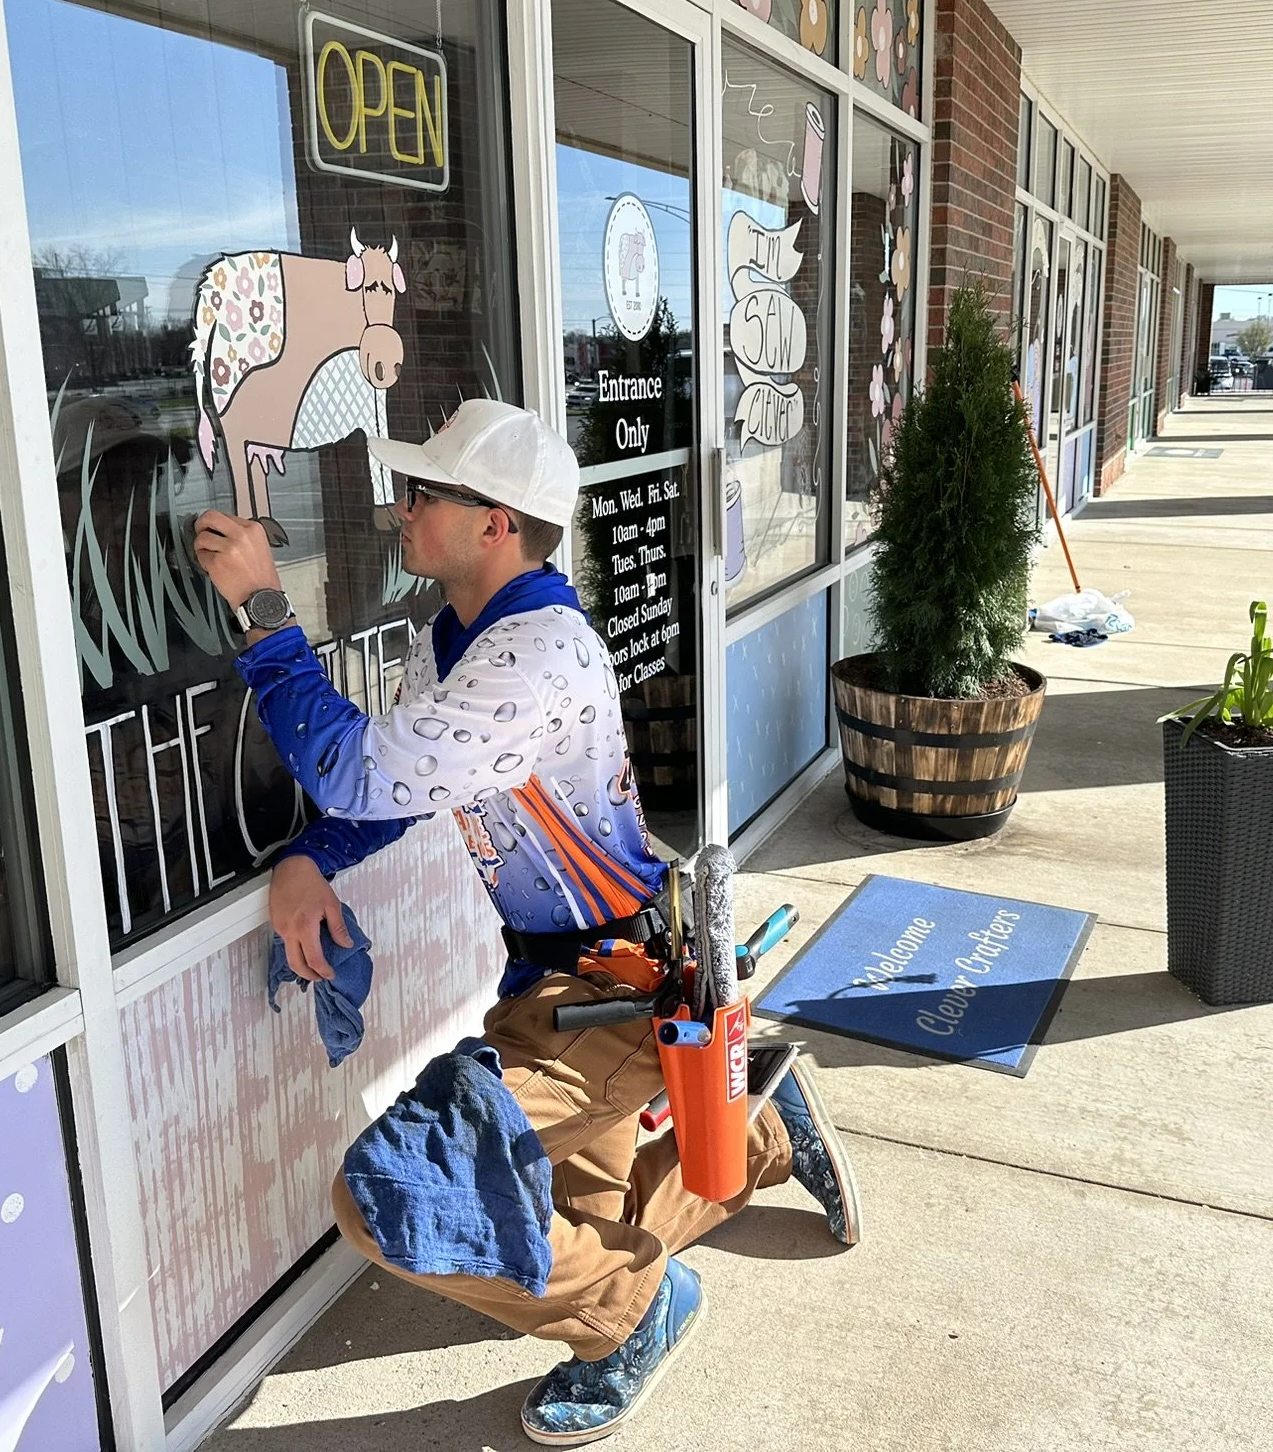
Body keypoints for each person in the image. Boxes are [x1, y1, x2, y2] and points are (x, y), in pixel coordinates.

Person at [193, 400, 861, 1446]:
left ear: (494, 522)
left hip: (613, 989)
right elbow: (406, 791)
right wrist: (313, 858)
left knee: (393, 1195)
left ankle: (634, 1316)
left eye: (424, 493)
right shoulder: (455, 635)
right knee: (579, 1225)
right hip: (562, 979)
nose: (399, 510)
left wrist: (266, 615)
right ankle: (764, 1128)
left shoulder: (534, 657)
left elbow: (356, 768)